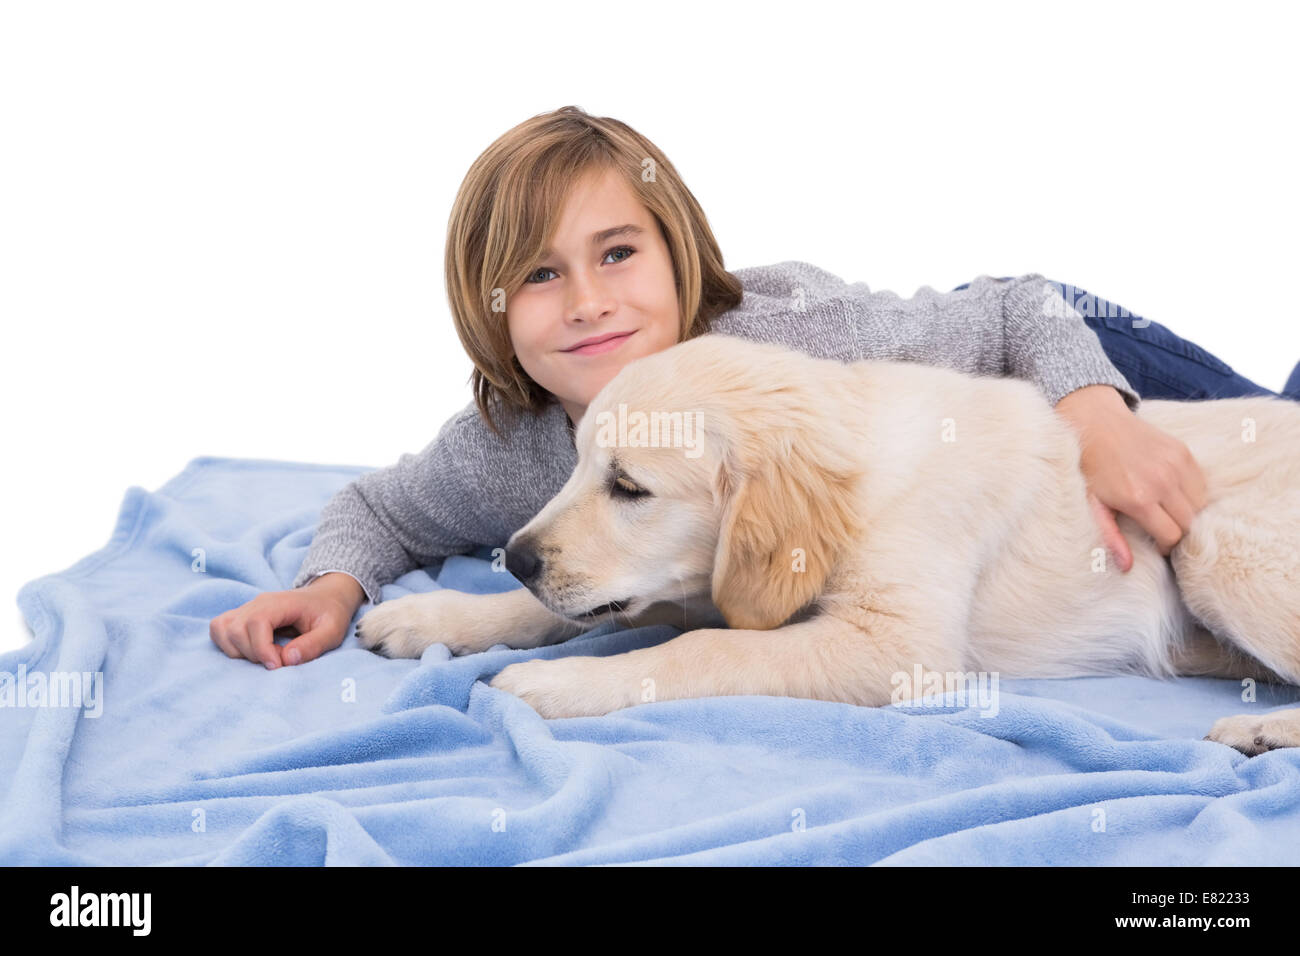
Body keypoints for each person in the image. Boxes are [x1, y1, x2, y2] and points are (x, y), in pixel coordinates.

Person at [209, 105, 1299, 671]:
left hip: (1044, 355)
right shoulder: (517, 442)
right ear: (492, 310)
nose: (587, 301)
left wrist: (1098, 417)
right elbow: (384, 507)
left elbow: (1016, 310)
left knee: (1252, 428)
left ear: (680, 253)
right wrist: (334, 583)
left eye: (618, 252)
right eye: (540, 275)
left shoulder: (803, 334)